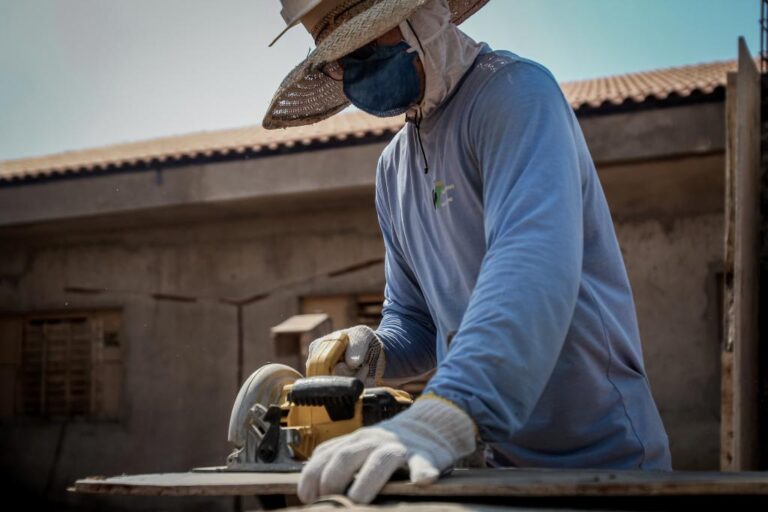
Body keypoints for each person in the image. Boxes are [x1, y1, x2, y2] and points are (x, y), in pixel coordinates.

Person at [263, 0, 673, 505]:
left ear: (426, 18)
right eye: (342, 60)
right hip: (489, 461)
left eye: (366, 47)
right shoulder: (394, 170)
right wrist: (374, 350)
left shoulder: (515, 94)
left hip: (600, 461)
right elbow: (417, 321)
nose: (355, 71)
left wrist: (449, 412)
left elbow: (531, 264)